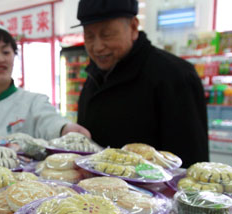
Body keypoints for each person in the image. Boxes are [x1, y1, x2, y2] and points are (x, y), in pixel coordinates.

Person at [75, 0, 209, 167]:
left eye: (106, 34)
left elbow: (192, 163)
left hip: (156, 192)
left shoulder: (176, 76)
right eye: (89, 36)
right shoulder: (94, 76)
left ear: (133, 27)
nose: (97, 47)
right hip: (94, 190)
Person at [0, 23, 91, 140]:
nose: (0, 59)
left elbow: (50, 122)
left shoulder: (34, 103)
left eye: (6, 52)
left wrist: (64, 129)